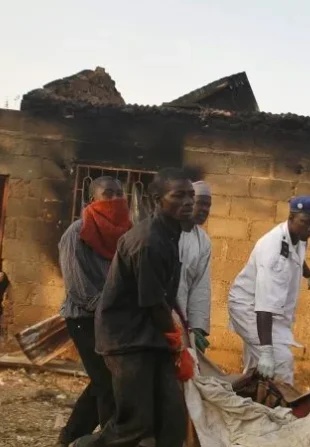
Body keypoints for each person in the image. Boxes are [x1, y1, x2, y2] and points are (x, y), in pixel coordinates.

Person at [74, 167, 195, 447]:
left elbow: (166, 293)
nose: (188, 202)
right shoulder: (149, 241)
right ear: (156, 200)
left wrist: (182, 331)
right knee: (133, 425)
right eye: (178, 196)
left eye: (191, 195)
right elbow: (153, 301)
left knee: (172, 418)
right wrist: (177, 342)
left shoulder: (169, 235)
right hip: (127, 340)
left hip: (149, 336)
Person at [57, 176, 131, 446]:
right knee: (108, 380)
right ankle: (110, 441)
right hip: (84, 318)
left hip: (116, 319)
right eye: (107, 194)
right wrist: (109, 307)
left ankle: (72, 435)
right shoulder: (77, 233)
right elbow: (78, 286)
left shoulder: (127, 233)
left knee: (106, 379)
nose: (114, 200)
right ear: (92, 201)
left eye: (118, 194)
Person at [227, 195, 310, 385]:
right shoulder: (273, 252)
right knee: (280, 362)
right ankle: (283, 412)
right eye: (306, 223)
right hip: (250, 308)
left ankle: (250, 407)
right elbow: (264, 305)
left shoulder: (298, 236)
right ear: (291, 217)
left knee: (257, 373)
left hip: (265, 311)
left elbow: (297, 255)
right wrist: (267, 352)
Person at [176, 180, 213, 353]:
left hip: (182, 320)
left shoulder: (203, 241)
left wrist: (197, 327)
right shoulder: (168, 231)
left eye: (208, 205)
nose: (205, 209)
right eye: (201, 203)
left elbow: (200, 287)